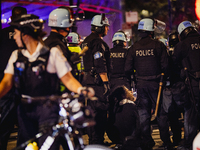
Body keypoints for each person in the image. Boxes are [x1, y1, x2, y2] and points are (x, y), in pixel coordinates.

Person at [0, 13, 92, 149]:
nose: (13, 37)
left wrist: (81, 90)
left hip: (47, 111)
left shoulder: (52, 53)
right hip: (25, 111)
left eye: (16, 33)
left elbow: (67, 79)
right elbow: (7, 83)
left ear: (26, 34)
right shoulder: (16, 56)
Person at [125, 18, 172, 150]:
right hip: (157, 85)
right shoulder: (158, 45)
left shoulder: (134, 48)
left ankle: (146, 143)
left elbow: (127, 68)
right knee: (161, 114)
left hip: (141, 85)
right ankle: (166, 142)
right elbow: (166, 66)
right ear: (151, 30)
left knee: (143, 114)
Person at [0, 6, 27, 150]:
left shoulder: (3, 33)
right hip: (23, 85)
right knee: (25, 125)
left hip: (5, 84)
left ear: (11, 18)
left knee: (4, 125)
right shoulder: (28, 36)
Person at [81, 13, 110, 144]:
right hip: (97, 83)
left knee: (91, 111)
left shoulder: (86, 40)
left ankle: (94, 140)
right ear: (99, 28)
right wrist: (106, 83)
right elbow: (100, 63)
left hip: (87, 81)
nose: (107, 29)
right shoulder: (98, 42)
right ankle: (98, 141)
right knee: (100, 112)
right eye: (105, 26)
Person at [173, 21, 200, 150]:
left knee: (190, 112)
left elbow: (174, 63)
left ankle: (189, 142)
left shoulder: (182, 45)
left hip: (193, 83)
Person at [44, 7, 80, 82]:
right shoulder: (58, 44)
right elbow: (59, 68)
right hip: (58, 86)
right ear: (65, 26)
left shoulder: (47, 41)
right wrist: (71, 61)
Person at [159, 36, 182, 147]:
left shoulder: (161, 56)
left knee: (165, 115)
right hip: (175, 87)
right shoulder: (174, 55)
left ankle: (167, 141)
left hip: (164, 89)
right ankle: (177, 138)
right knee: (174, 115)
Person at [107, 85, 141, 150]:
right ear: (124, 95)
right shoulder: (131, 106)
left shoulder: (113, 108)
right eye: (128, 91)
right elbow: (138, 124)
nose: (131, 92)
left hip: (116, 138)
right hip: (130, 138)